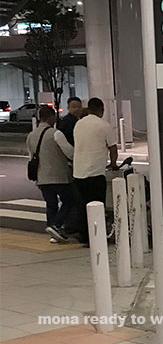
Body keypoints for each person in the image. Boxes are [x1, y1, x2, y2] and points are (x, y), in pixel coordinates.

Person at [26, 105, 76, 243]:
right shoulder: (56, 134)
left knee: (51, 204)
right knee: (69, 200)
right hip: (59, 176)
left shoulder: (31, 136)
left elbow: (31, 157)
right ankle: (56, 225)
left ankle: (53, 233)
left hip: (41, 177)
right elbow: (70, 153)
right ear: (51, 118)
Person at [73, 97, 118, 243]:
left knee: (82, 207)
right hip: (95, 173)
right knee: (97, 206)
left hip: (78, 172)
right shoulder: (104, 126)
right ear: (102, 110)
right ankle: (96, 238)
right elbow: (113, 148)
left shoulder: (78, 124)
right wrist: (113, 164)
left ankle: (84, 237)